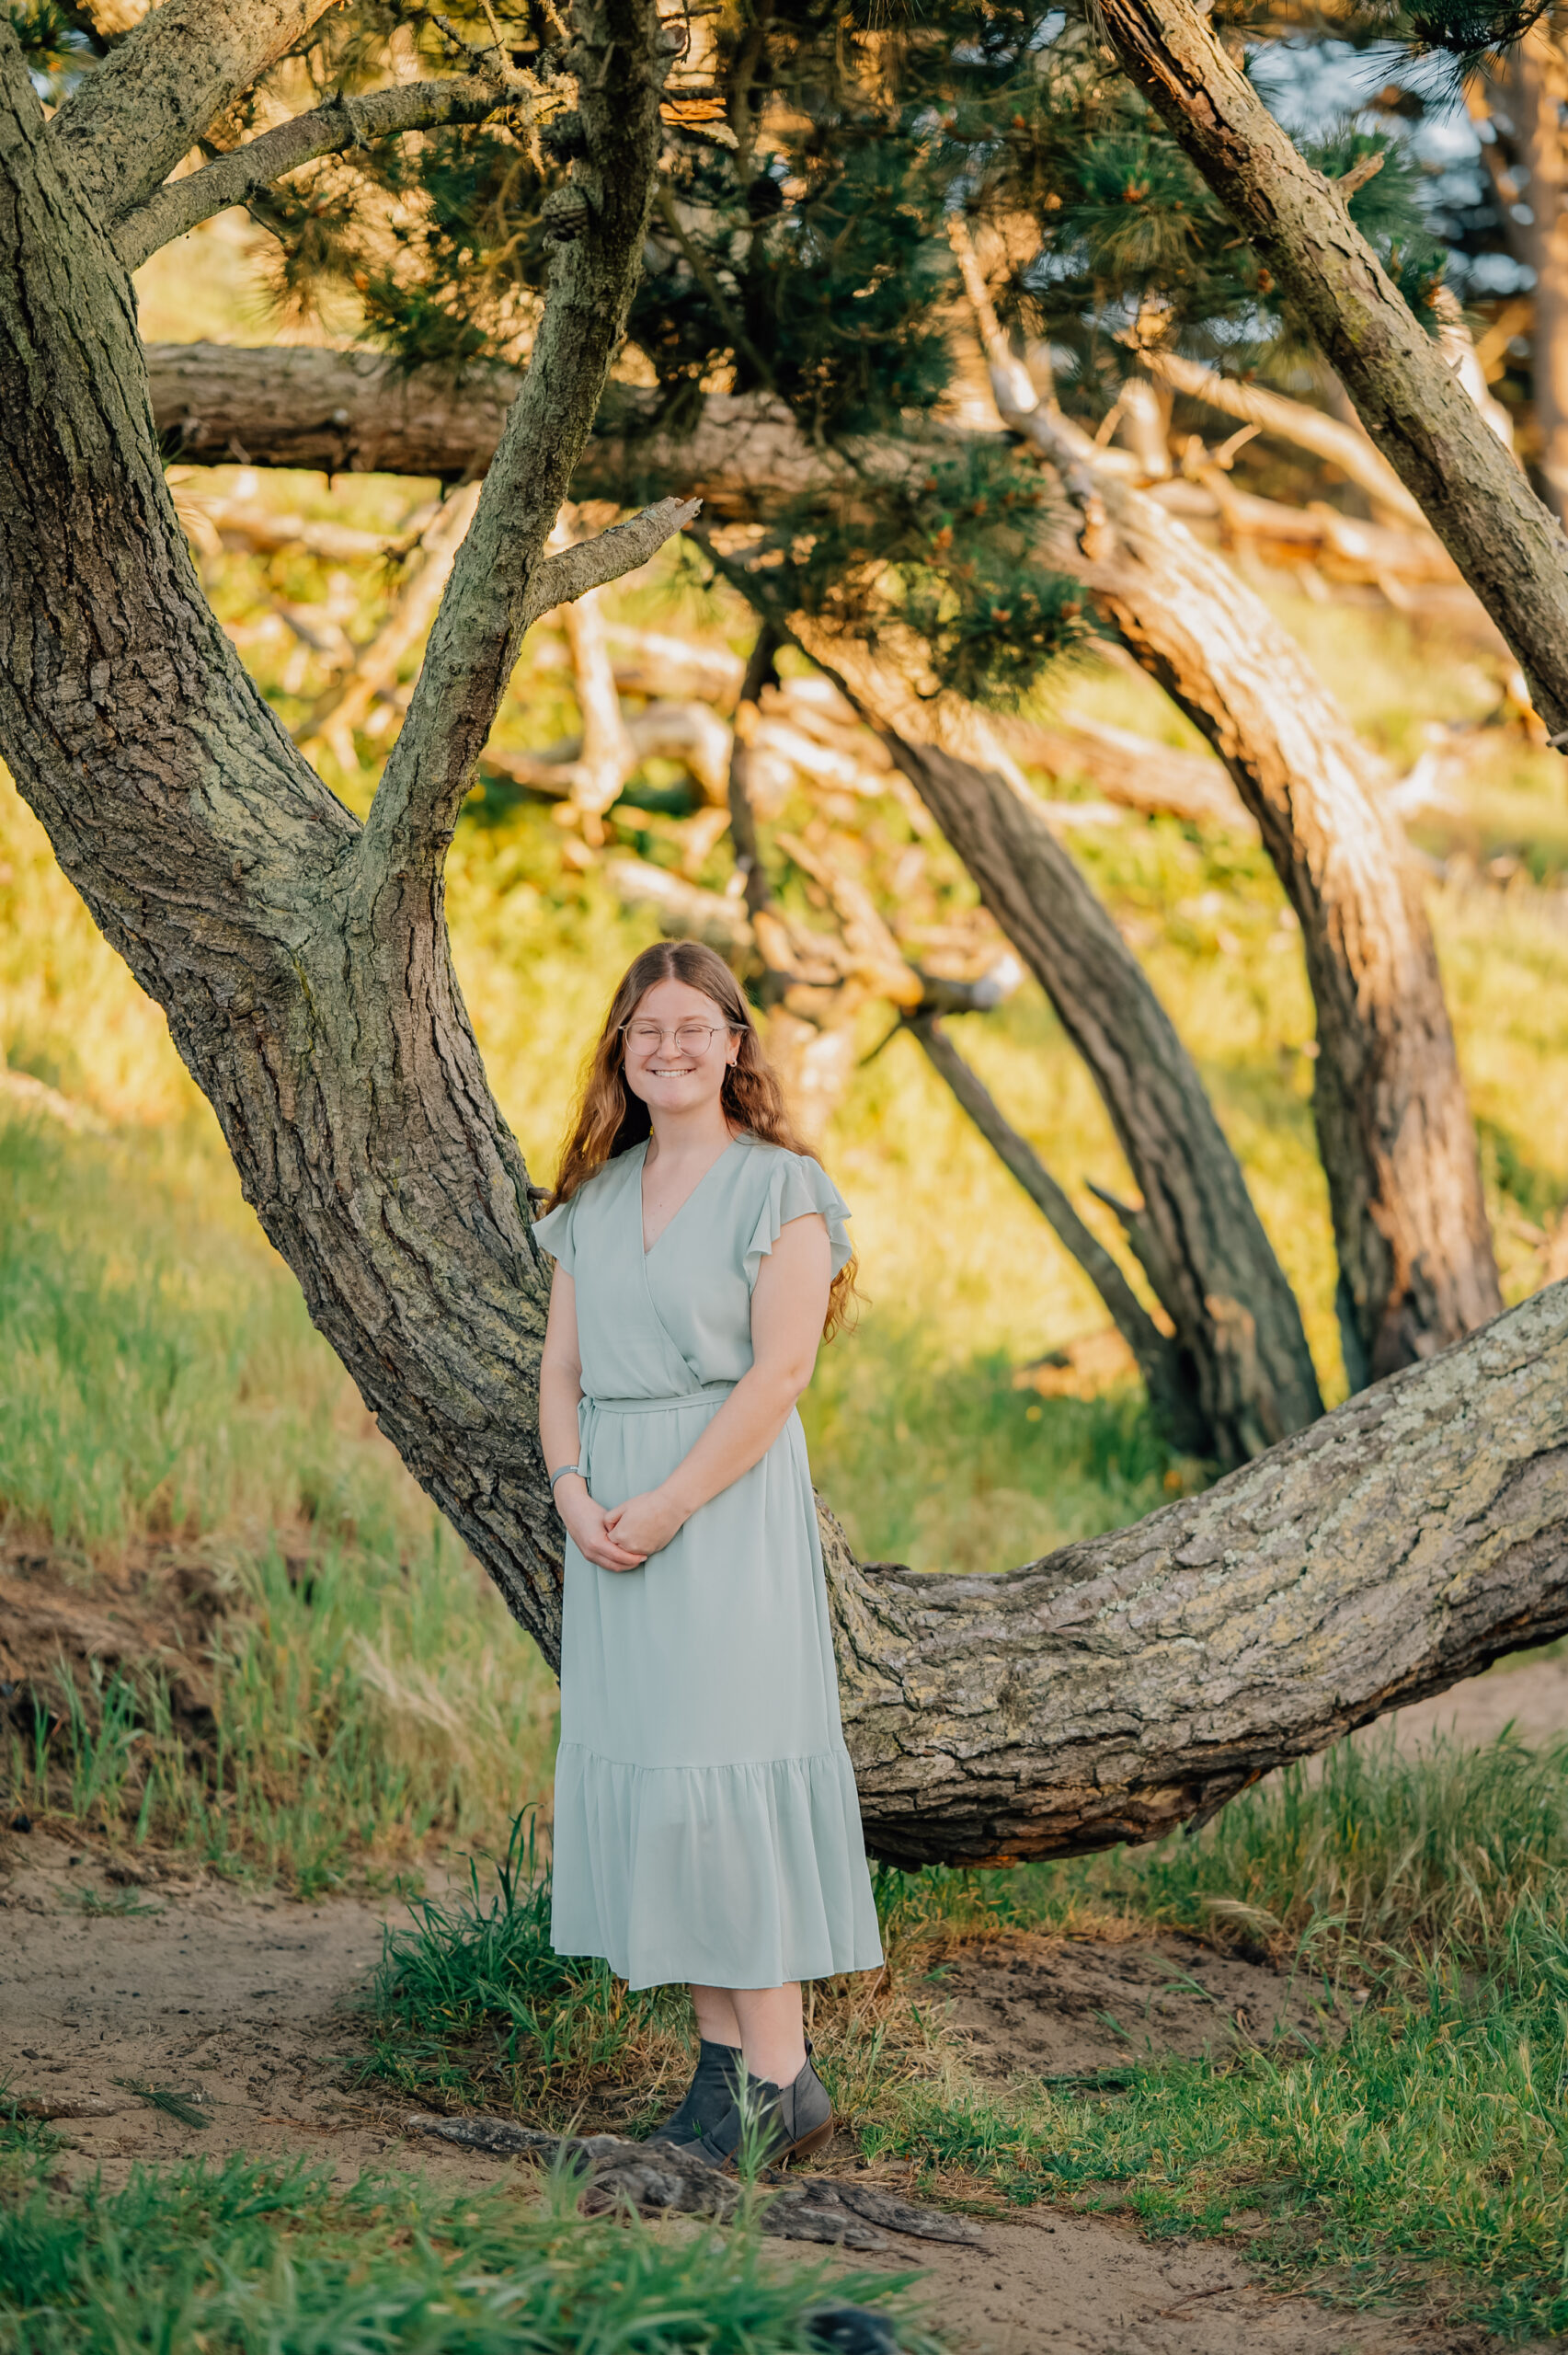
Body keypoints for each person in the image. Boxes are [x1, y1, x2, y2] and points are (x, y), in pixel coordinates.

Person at [531, 939, 883, 2166]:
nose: (668, 1049)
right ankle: (723, 2067)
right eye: (645, 1031)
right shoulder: (591, 1202)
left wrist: (672, 1501)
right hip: (612, 1518)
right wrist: (575, 1493)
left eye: (693, 1027)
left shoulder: (779, 1187)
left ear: (735, 1044)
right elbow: (561, 1373)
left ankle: (780, 2076)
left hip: (720, 1509)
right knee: (662, 1786)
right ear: (620, 1053)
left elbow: (780, 1373)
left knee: (727, 1778)